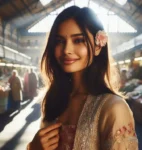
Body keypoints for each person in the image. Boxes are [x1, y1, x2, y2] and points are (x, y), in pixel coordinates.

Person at [27, 6, 138, 150]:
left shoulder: (113, 108)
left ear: (98, 46)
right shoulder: (53, 98)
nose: (66, 50)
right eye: (59, 41)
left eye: (78, 40)